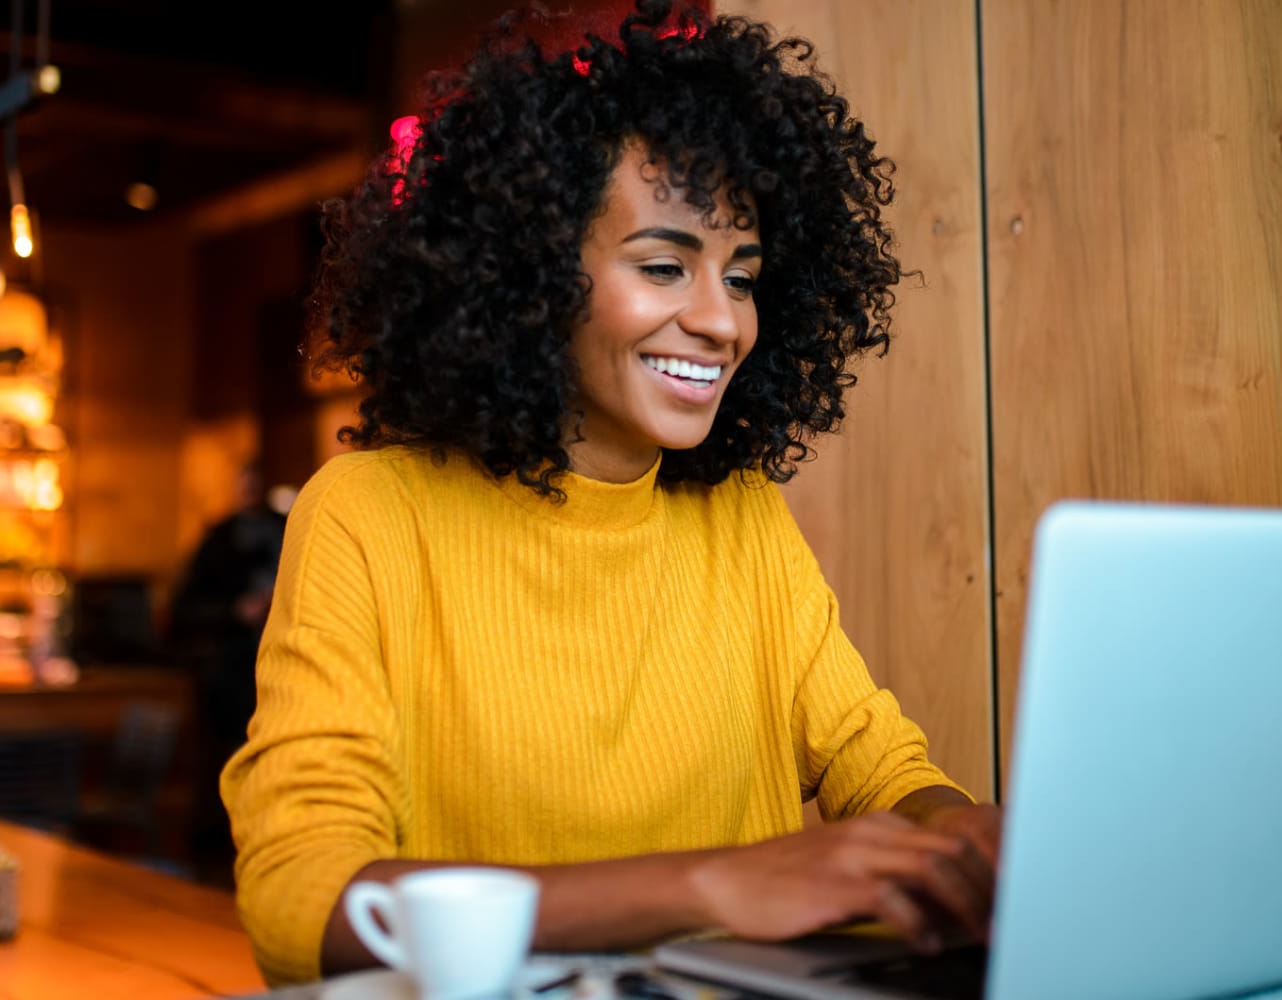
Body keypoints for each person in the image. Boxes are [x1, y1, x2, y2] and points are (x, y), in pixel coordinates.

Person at [222, 0, 1002, 985]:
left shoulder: (740, 512)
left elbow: (879, 768)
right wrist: (710, 885)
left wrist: (968, 840)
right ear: (535, 275)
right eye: (665, 265)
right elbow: (300, 899)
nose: (721, 322)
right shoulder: (370, 514)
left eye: (743, 277)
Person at [172, 462, 286, 860]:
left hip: (284, 672)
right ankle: (227, 847)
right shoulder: (218, 539)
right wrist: (236, 612)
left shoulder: (289, 527)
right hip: (231, 675)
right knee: (227, 761)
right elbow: (183, 610)